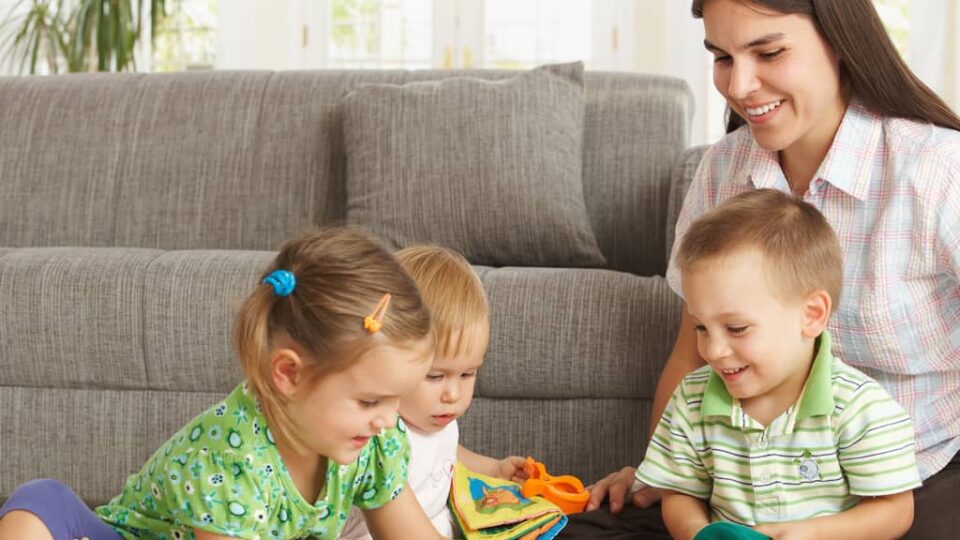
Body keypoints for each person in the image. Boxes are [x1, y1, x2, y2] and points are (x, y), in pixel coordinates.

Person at [575, 0, 960, 538]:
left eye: (769, 52)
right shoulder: (723, 170)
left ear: (841, 41)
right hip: (745, 474)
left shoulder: (938, 170)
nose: (739, 85)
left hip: (912, 480)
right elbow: (692, 349)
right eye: (722, 57)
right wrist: (663, 472)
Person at [0, 227, 446, 540]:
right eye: (370, 401)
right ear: (289, 374)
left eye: (395, 401)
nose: (388, 420)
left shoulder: (372, 444)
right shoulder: (233, 460)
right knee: (42, 502)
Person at [636, 188, 920, 539]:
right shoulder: (692, 400)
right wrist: (697, 532)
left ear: (811, 315)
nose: (714, 350)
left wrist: (813, 534)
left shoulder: (860, 407)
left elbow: (894, 510)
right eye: (701, 327)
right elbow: (680, 492)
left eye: (736, 328)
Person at [339, 245, 527, 540]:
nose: (452, 394)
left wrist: (495, 468)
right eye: (435, 376)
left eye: (467, 374)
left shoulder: (434, 418)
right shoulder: (380, 435)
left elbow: (448, 452)